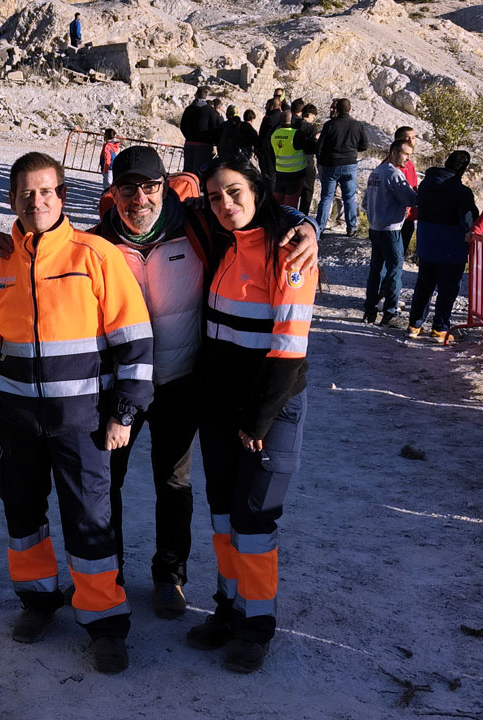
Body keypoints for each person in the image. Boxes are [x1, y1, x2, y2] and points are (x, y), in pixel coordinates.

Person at [0, 146, 318, 624]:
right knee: (105, 484)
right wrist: (4, 241)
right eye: (127, 188)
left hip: (182, 384)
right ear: (111, 192)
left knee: (173, 482)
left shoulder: (199, 225)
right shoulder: (97, 243)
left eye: (150, 186)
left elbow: (253, 210)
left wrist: (308, 227)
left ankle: (169, 576)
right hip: (117, 389)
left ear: (164, 186)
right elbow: (44, 247)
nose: (139, 198)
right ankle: (108, 575)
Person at [0, 152, 154, 674]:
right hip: (19, 425)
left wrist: (125, 414)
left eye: (47, 191)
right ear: (12, 200)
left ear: (63, 196)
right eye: (26, 192)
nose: (37, 200)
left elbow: (134, 342)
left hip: (85, 424)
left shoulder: (96, 255)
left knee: (90, 520)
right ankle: (39, 600)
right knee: (23, 515)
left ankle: (104, 621)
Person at [185, 156, 318, 674]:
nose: (226, 205)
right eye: (216, 197)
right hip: (218, 408)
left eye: (235, 193)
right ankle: (229, 607)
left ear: (258, 190)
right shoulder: (223, 240)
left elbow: (288, 353)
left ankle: (257, 626)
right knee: (222, 517)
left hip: (269, 411)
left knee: (254, 520)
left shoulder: (288, 253)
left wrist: (257, 422)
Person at [407, 151, 479, 342]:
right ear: (464, 169)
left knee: (424, 285)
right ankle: (439, 329)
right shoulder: (461, 192)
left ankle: (414, 325)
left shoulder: (426, 185)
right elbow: (471, 220)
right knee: (447, 288)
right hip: (451, 248)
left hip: (426, 243)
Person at [362, 139, 418, 326]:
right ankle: (390, 314)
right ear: (394, 152)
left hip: (375, 227)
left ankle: (369, 311)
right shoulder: (394, 175)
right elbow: (411, 199)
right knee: (395, 272)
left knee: (376, 271)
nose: (408, 159)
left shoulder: (376, 172)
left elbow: (364, 203)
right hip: (391, 230)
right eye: (405, 154)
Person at [313, 99, 369, 236]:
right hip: (350, 164)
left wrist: (321, 162)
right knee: (349, 197)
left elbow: (319, 147)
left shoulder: (330, 125)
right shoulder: (357, 125)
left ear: (336, 108)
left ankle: (319, 228)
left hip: (331, 165)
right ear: (349, 109)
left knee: (326, 197)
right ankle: (351, 227)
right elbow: (364, 145)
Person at [270, 104, 306, 208]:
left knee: (278, 202)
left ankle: (276, 222)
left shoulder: (274, 134)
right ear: (292, 121)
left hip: (280, 172)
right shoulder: (296, 134)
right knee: (290, 204)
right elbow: (307, 148)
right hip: (295, 174)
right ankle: (287, 223)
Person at [180, 87, 219, 175]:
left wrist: (189, 137)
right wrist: (212, 141)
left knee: (187, 171)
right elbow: (214, 128)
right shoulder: (210, 111)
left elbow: (182, 126)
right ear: (206, 97)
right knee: (200, 172)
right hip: (204, 145)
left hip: (189, 144)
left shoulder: (188, 109)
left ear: (196, 95)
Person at [394, 127, 420, 256]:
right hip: (398, 215)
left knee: (401, 250)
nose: (411, 140)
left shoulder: (409, 162)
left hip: (410, 214)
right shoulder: (394, 164)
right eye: (407, 138)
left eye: (413, 137)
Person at [293, 104, 321, 216]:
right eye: (313, 116)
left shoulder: (293, 125)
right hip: (307, 163)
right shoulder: (311, 128)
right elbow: (310, 149)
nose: (313, 119)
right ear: (309, 115)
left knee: (294, 193)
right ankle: (302, 216)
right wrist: (315, 139)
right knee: (307, 192)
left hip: (293, 163)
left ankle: (291, 215)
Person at [256, 98, 285, 190]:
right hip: (278, 150)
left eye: (267, 105)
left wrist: (260, 149)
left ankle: (269, 198)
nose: (265, 107)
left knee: (268, 176)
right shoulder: (282, 117)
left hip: (267, 151)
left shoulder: (270, 119)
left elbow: (265, 136)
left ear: (271, 107)